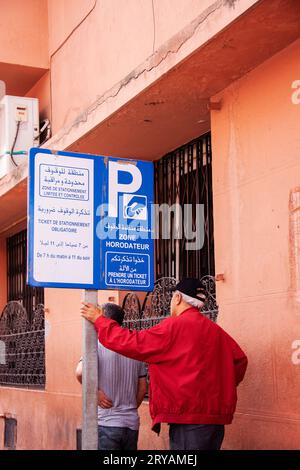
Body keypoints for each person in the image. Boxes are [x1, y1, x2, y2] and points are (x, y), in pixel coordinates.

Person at [81, 278, 248, 451]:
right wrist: (217, 388)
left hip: (188, 419)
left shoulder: (174, 327)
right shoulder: (216, 330)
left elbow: (133, 342)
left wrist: (100, 320)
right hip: (215, 421)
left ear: (177, 299)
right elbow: (240, 361)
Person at [76, 303, 147, 450]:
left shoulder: (97, 345)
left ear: (103, 318)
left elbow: (80, 372)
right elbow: (143, 388)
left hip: (106, 423)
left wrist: (95, 392)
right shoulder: (134, 347)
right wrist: (130, 408)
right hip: (131, 424)